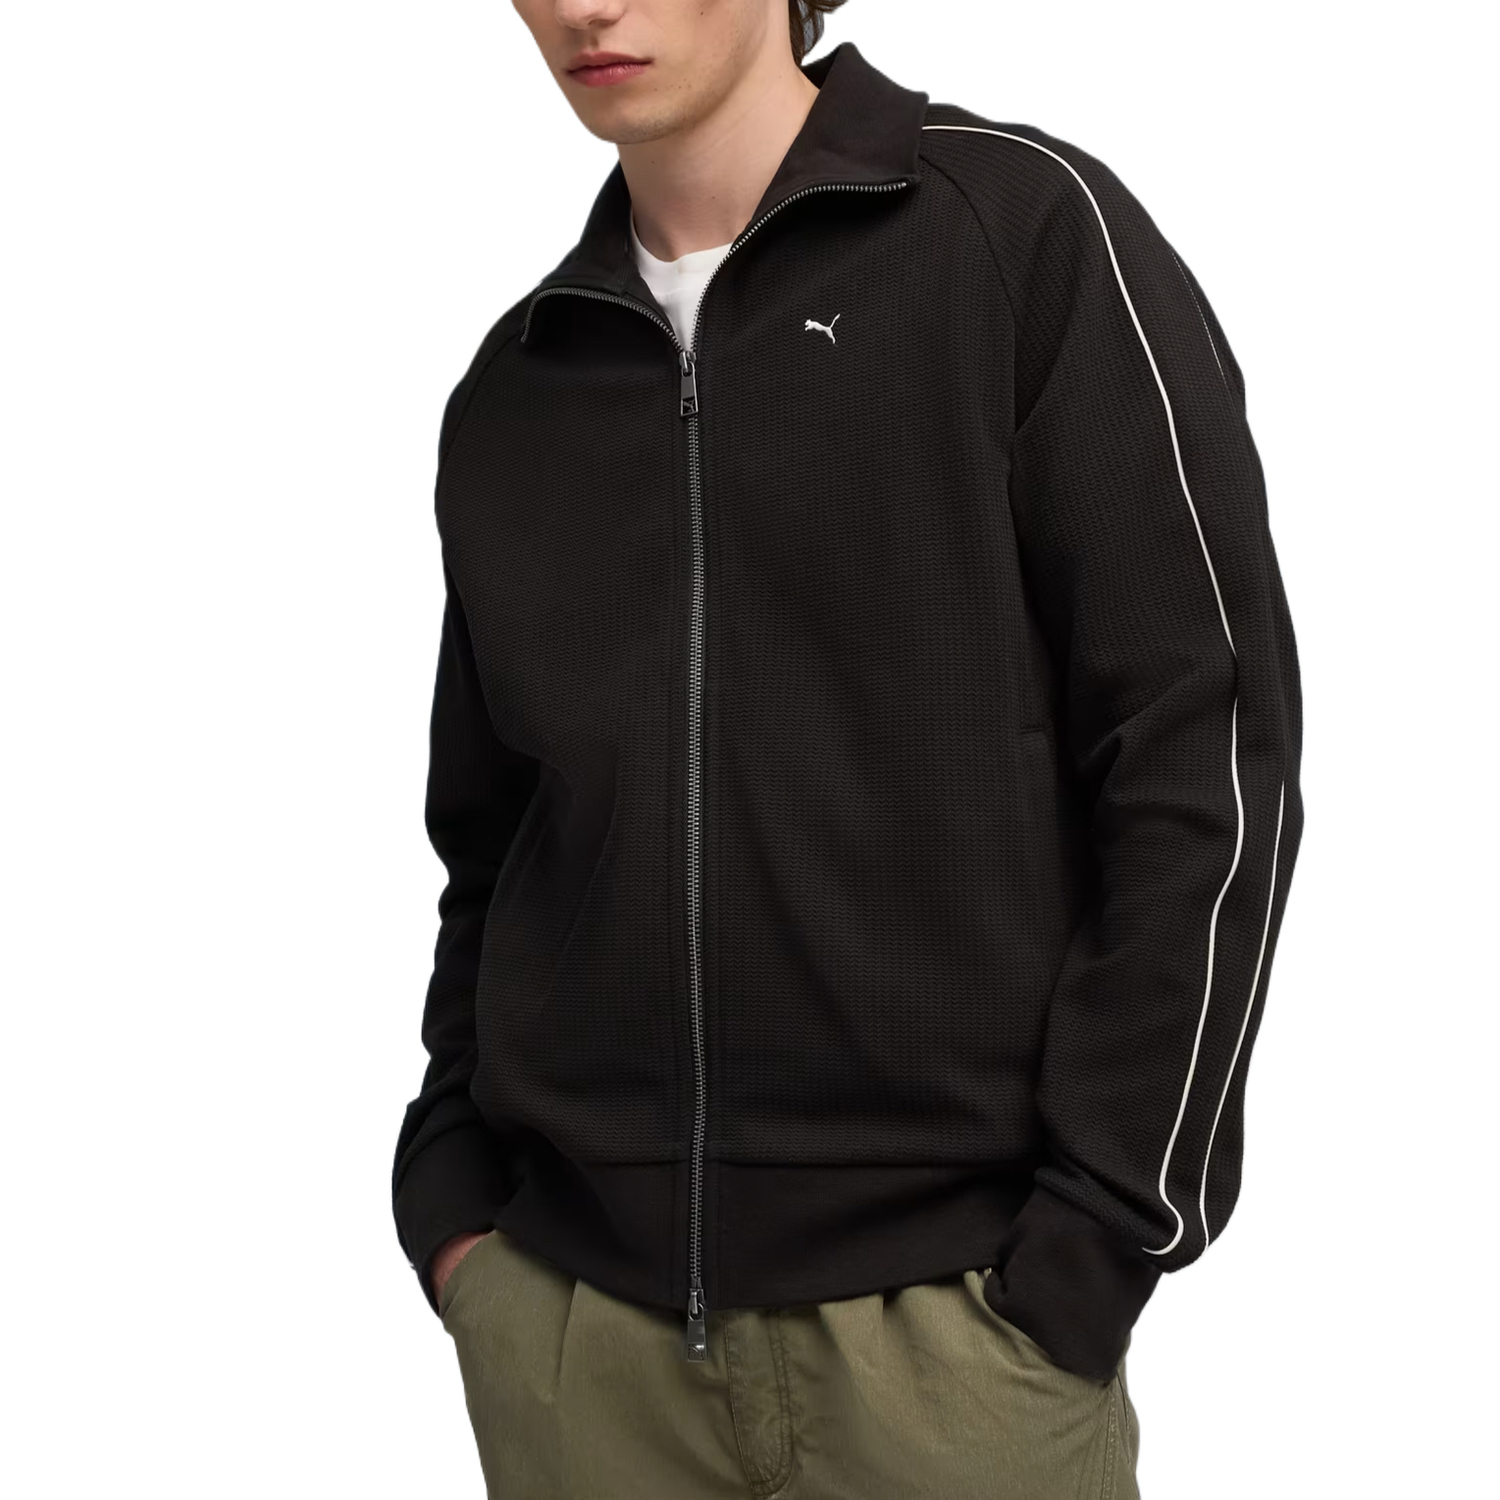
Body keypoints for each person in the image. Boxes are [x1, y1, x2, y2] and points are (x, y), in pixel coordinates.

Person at [391, 1, 1304, 1494]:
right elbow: (491, 847)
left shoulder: (1015, 239)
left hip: (955, 1352)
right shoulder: (521, 386)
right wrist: (454, 1209)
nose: (585, 5)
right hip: (576, 1356)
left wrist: (1101, 1236)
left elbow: (1201, 747)